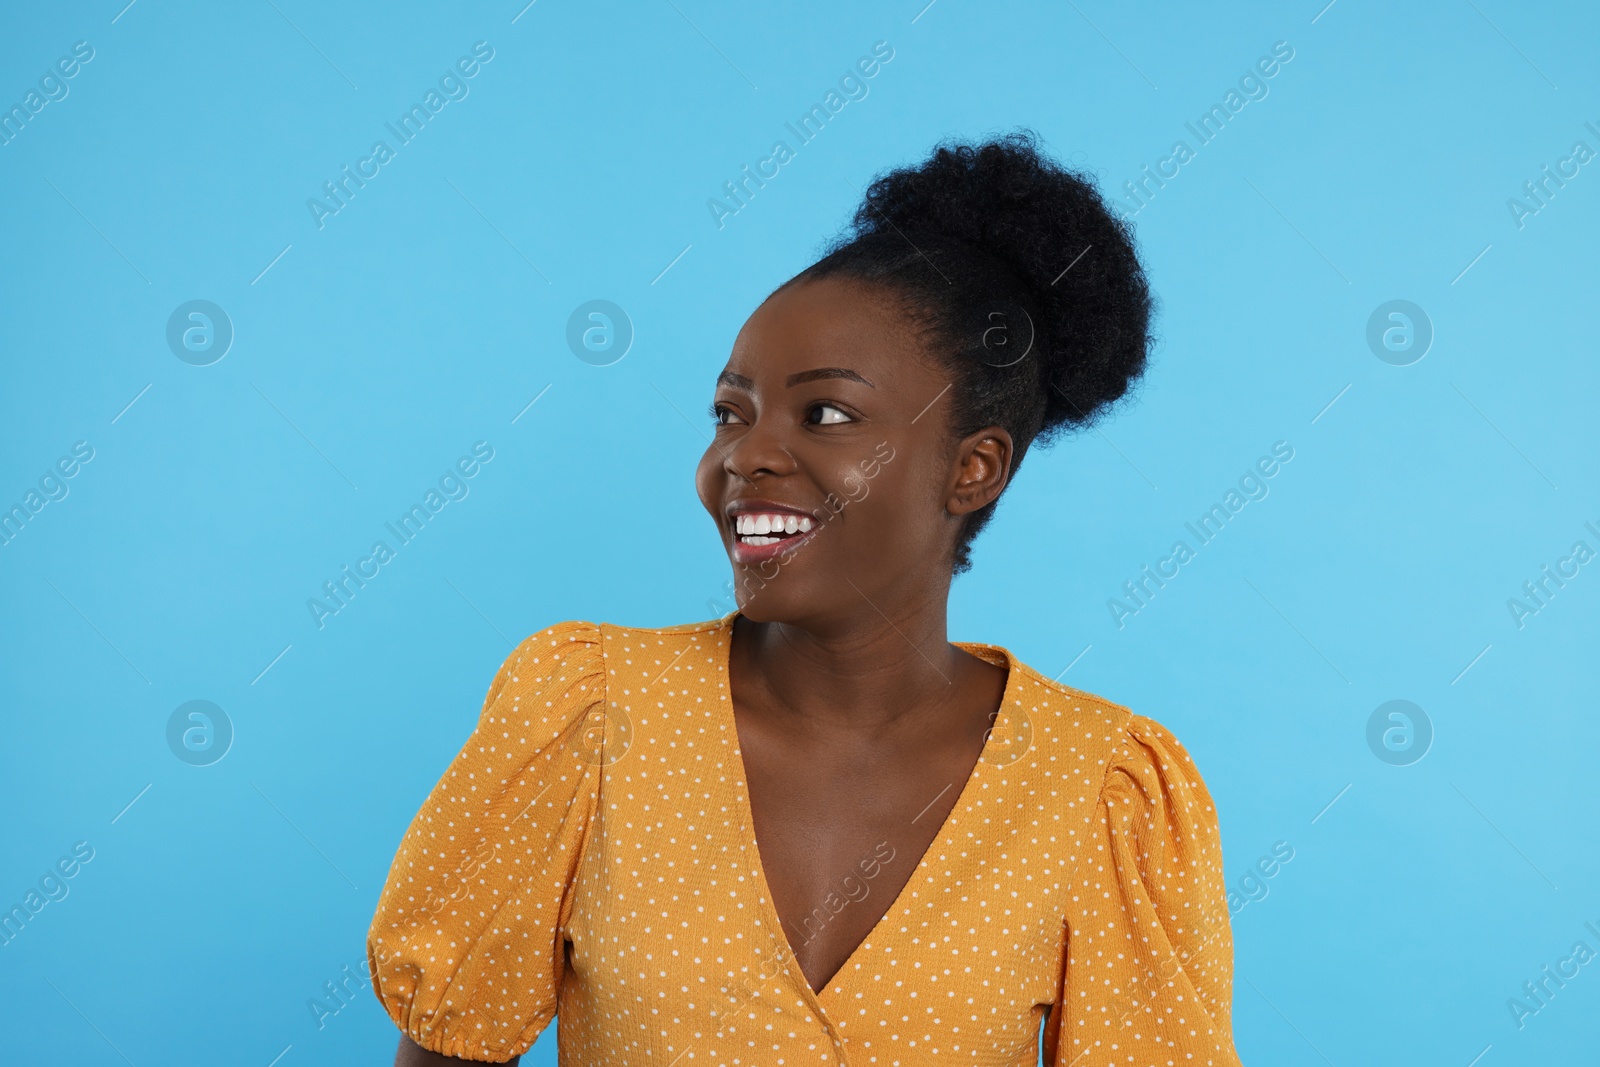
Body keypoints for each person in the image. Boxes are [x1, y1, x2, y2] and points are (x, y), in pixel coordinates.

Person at [368, 130, 1244, 1066]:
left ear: (973, 467)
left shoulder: (1102, 791)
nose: (744, 455)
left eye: (824, 414)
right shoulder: (588, 714)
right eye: (729, 413)